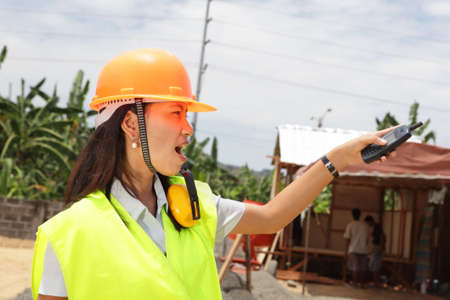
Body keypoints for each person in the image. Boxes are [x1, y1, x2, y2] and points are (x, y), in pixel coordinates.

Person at [31, 48, 395, 300]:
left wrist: (337, 159)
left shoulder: (193, 205)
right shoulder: (66, 236)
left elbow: (272, 217)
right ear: (130, 123)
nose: (188, 129)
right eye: (175, 113)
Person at [344, 208, 370, 287]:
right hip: (363, 250)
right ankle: (361, 284)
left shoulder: (350, 225)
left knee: (355, 268)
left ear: (352, 215)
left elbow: (347, 238)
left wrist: (346, 251)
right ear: (360, 215)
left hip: (353, 249)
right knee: (363, 268)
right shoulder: (365, 225)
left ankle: (355, 283)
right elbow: (367, 239)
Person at [364, 215, 386, 287]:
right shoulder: (375, 227)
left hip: (378, 247)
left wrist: (381, 247)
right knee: (373, 265)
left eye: (367, 223)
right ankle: (375, 282)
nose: (368, 225)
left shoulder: (377, 226)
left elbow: (382, 236)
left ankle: (377, 282)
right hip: (376, 247)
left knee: (375, 266)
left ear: (370, 221)